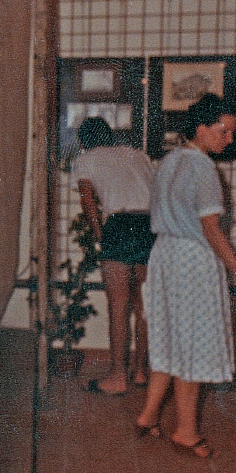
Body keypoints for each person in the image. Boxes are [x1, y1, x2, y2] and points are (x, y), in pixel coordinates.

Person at [135, 94, 236, 458]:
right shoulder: (204, 168)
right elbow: (211, 229)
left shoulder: (168, 160)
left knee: (170, 338)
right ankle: (186, 431)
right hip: (192, 260)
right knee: (191, 343)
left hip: (164, 256)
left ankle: (146, 416)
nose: (229, 139)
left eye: (232, 133)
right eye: (224, 131)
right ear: (201, 128)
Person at [72, 116, 157, 394]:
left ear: (84, 141)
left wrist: (99, 233)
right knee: (143, 305)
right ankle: (141, 371)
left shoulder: (85, 159)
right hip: (150, 225)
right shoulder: (138, 155)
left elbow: (88, 200)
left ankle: (117, 376)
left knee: (118, 305)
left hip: (120, 225)